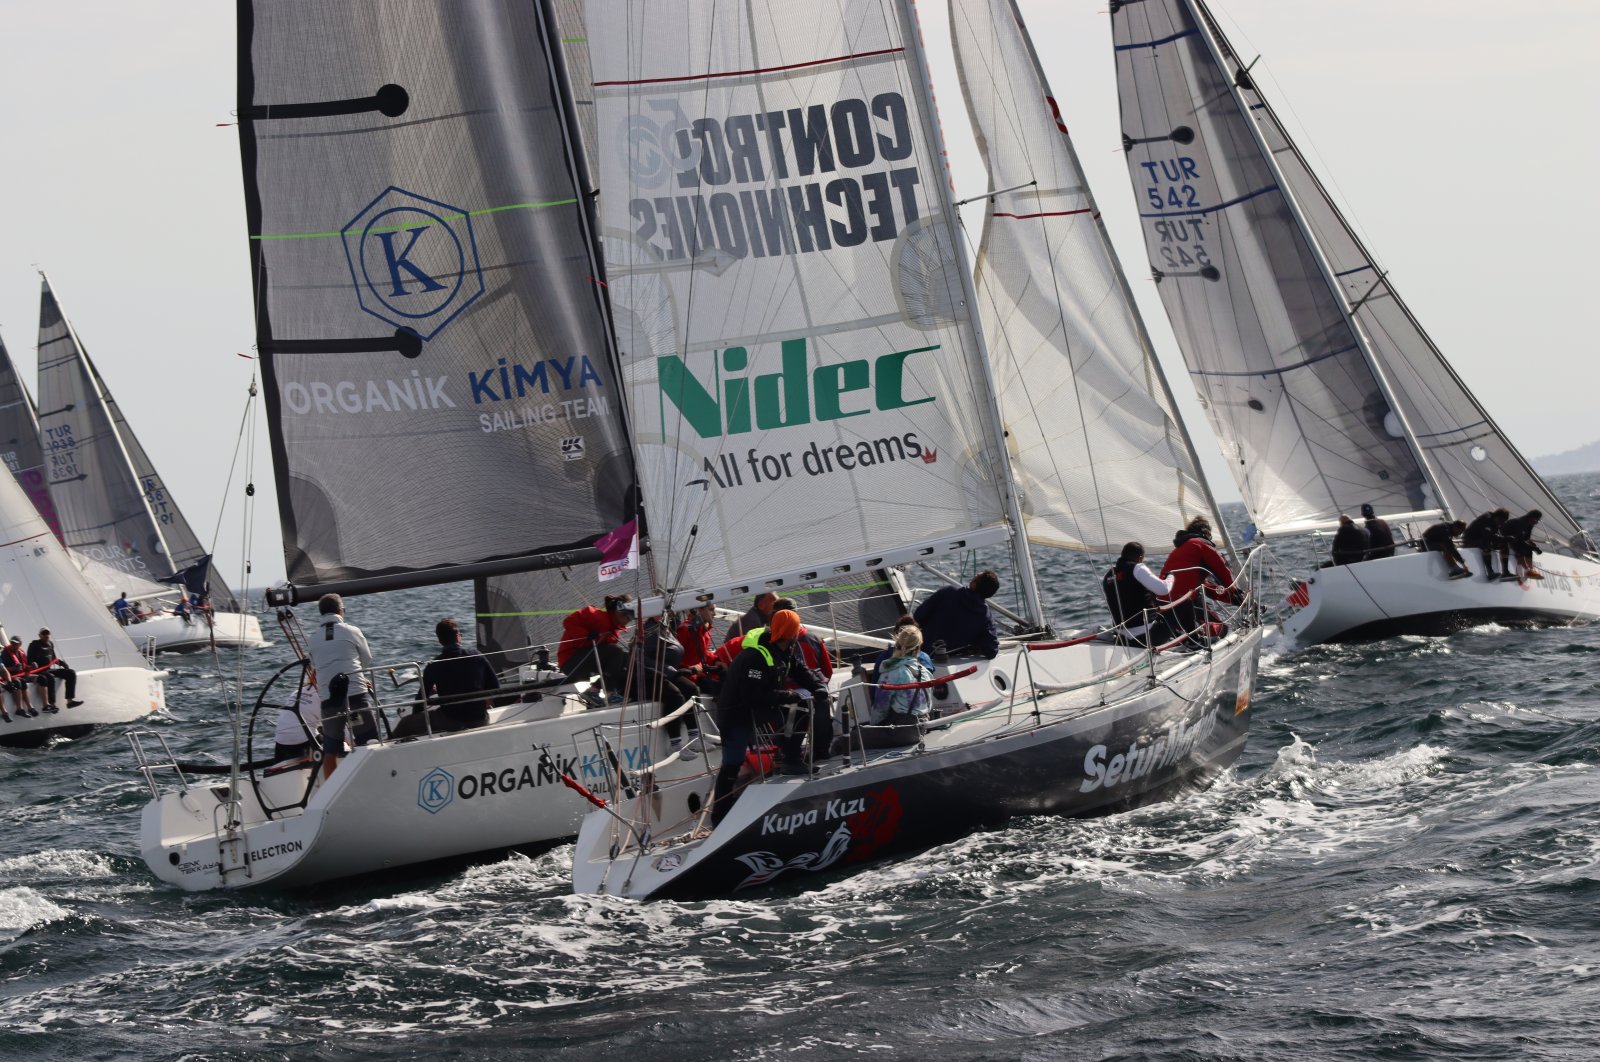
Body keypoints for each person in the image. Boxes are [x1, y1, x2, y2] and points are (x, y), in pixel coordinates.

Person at [711, 610, 831, 825]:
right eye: (796, 629)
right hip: (736, 714)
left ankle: (791, 759)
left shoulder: (784, 650)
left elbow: (800, 671)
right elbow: (753, 696)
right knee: (732, 764)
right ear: (790, 632)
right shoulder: (755, 657)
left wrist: (817, 688)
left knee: (803, 705)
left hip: (759, 709)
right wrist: (790, 695)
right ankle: (720, 817)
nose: (799, 633)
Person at [394, 617, 501, 739]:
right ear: (458, 637)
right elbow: (495, 686)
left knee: (406, 723)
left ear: (440, 640)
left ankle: (387, 744)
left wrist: (417, 718)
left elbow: (420, 701)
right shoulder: (478, 656)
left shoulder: (434, 665)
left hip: (451, 721)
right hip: (479, 719)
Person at [307, 593, 377, 778]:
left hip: (330, 701)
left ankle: (331, 791)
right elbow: (366, 659)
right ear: (340, 610)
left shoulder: (313, 639)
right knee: (369, 742)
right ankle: (373, 781)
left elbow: (315, 665)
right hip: (355, 696)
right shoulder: (352, 631)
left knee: (330, 751)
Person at [1159, 518, 1240, 647]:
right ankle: (1198, 643)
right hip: (1184, 601)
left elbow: (1204, 585)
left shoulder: (1180, 549)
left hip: (1164, 601)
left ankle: (1186, 637)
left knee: (1197, 617)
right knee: (1221, 628)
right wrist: (1235, 592)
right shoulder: (1201, 544)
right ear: (1205, 533)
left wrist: (1230, 597)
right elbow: (1222, 570)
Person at [634, 611, 702, 757]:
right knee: (675, 696)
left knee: (691, 689)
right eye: (670, 611)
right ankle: (675, 745)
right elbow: (639, 657)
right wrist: (667, 670)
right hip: (648, 678)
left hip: (665, 674)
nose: (674, 614)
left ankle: (694, 737)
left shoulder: (664, 627)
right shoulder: (648, 631)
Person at [913, 570, 1001, 660]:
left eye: (977, 576)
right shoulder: (985, 616)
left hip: (924, 654)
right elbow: (991, 651)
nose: (976, 574)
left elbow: (918, 616)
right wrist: (975, 645)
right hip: (950, 659)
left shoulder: (948, 592)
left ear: (974, 586)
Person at [557, 594, 633, 697]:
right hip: (570, 663)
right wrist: (586, 634)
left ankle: (594, 690)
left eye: (632, 616)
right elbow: (568, 622)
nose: (628, 619)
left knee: (626, 658)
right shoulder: (594, 615)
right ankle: (608, 693)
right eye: (626, 615)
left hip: (584, 662)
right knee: (616, 652)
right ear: (617, 610)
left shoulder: (614, 630)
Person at [1102, 542, 1175, 646]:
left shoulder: (1108, 575)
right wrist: (1171, 576)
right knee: (1184, 604)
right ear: (1140, 557)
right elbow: (1163, 589)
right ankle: (1193, 642)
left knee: (1158, 605)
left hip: (1121, 637)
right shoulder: (1137, 568)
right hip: (1145, 637)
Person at [870, 625, 934, 726]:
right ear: (918, 649)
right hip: (924, 724)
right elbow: (929, 704)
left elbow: (880, 708)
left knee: (854, 737)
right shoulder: (926, 672)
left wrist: (872, 726)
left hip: (903, 728)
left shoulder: (892, 673)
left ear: (897, 644)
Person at [773, 597, 834, 680]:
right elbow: (828, 671)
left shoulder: (770, 641)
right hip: (815, 687)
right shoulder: (813, 639)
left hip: (787, 690)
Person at [273, 669, 322, 763]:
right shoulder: (323, 696)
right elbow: (337, 727)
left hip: (281, 742)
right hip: (302, 742)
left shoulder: (297, 692)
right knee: (334, 742)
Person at [27, 628, 80, 713]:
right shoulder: (34, 644)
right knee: (50, 677)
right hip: (39, 671)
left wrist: (62, 664)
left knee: (71, 673)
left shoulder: (50, 644)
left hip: (48, 669)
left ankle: (70, 701)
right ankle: (52, 704)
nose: (46, 635)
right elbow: (29, 660)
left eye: (47, 633)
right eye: (44, 634)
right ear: (39, 635)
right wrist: (33, 664)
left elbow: (54, 659)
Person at [870, 615, 934, 684]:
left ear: (896, 637)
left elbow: (875, 688)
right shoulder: (924, 658)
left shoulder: (883, 659)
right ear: (917, 642)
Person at [1461, 508, 1510, 579]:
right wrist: (1503, 538)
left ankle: (1505, 572)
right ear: (1496, 516)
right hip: (1470, 541)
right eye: (1500, 521)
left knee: (1504, 544)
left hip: (1482, 540)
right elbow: (1488, 535)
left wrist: (1505, 539)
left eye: (1503, 522)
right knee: (1486, 543)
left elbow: (1497, 536)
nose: (1501, 523)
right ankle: (1490, 572)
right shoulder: (1485, 519)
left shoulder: (1496, 522)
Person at [1500, 509, 1545, 581]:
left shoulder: (1530, 524)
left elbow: (1526, 538)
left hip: (1516, 538)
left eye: (1537, 521)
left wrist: (1533, 546)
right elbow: (1519, 540)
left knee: (1529, 550)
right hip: (1505, 536)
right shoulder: (1520, 523)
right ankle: (1527, 570)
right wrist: (1533, 548)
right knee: (1519, 548)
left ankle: (1531, 570)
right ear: (1531, 517)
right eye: (1536, 520)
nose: (1536, 523)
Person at [2, 635, 36, 718]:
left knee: (41, 678)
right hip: (10, 677)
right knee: (18, 682)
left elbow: (25, 667)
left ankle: (31, 706)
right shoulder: (5, 653)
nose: (13, 644)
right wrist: (13, 668)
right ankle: (19, 709)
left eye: (15, 643)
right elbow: (3, 670)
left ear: (20, 644)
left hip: (21, 675)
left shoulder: (21, 652)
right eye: (12, 643)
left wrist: (31, 667)